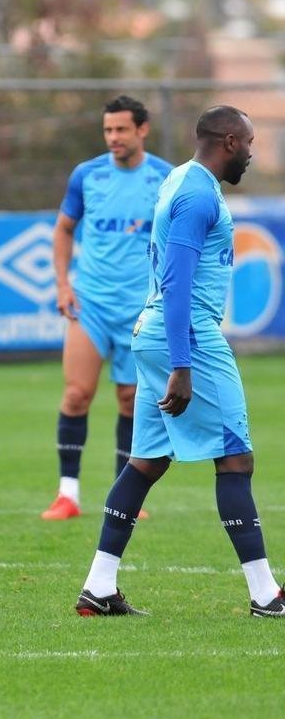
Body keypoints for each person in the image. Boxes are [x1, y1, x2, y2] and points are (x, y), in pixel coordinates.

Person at [75, 105, 285, 617]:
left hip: (153, 333)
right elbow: (176, 282)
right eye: (249, 143)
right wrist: (183, 364)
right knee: (235, 460)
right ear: (230, 142)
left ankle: (99, 587)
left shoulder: (180, 179)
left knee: (146, 461)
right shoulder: (196, 195)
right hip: (187, 336)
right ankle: (266, 596)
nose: (251, 154)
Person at [42, 95, 174, 520]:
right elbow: (64, 230)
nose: (113, 137)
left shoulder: (166, 179)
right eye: (108, 130)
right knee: (77, 394)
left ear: (142, 130)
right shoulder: (88, 175)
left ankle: (125, 499)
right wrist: (63, 284)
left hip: (141, 310)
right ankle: (67, 494)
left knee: (131, 400)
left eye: (121, 129)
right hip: (92, 304)